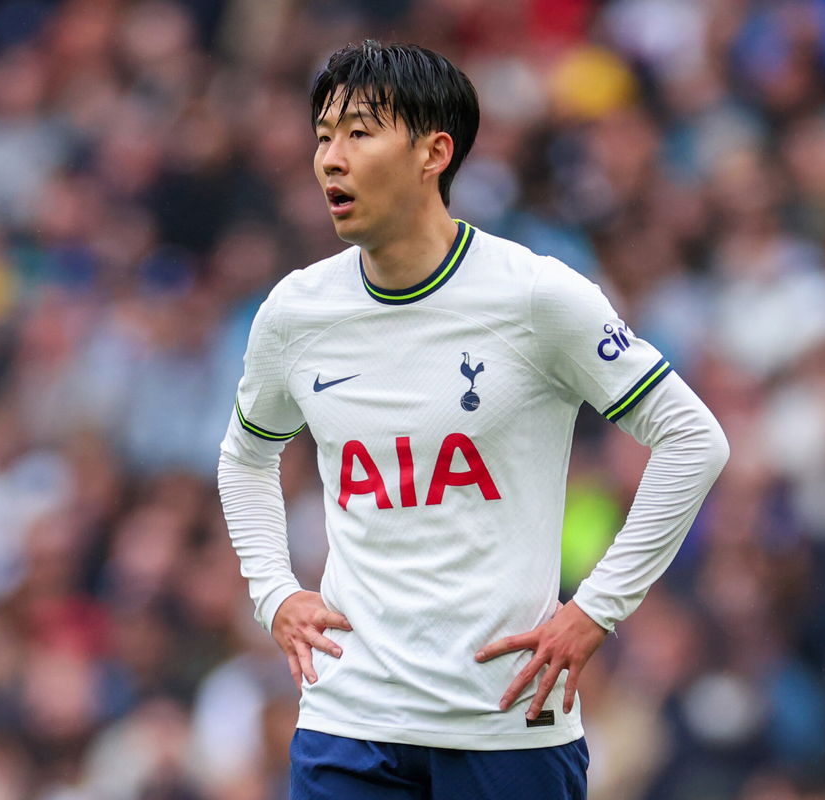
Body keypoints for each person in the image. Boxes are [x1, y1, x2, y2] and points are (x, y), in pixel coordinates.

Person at [217, 40, 729, 799]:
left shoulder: (537, 297)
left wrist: (595, 610)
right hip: (348, 721)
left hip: (504, 725)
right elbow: (246, 456)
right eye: (323, 136)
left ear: (434, 152)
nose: (330, 157)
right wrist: (275, 591)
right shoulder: (297, 311)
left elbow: (694, 440)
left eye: (359, 133)